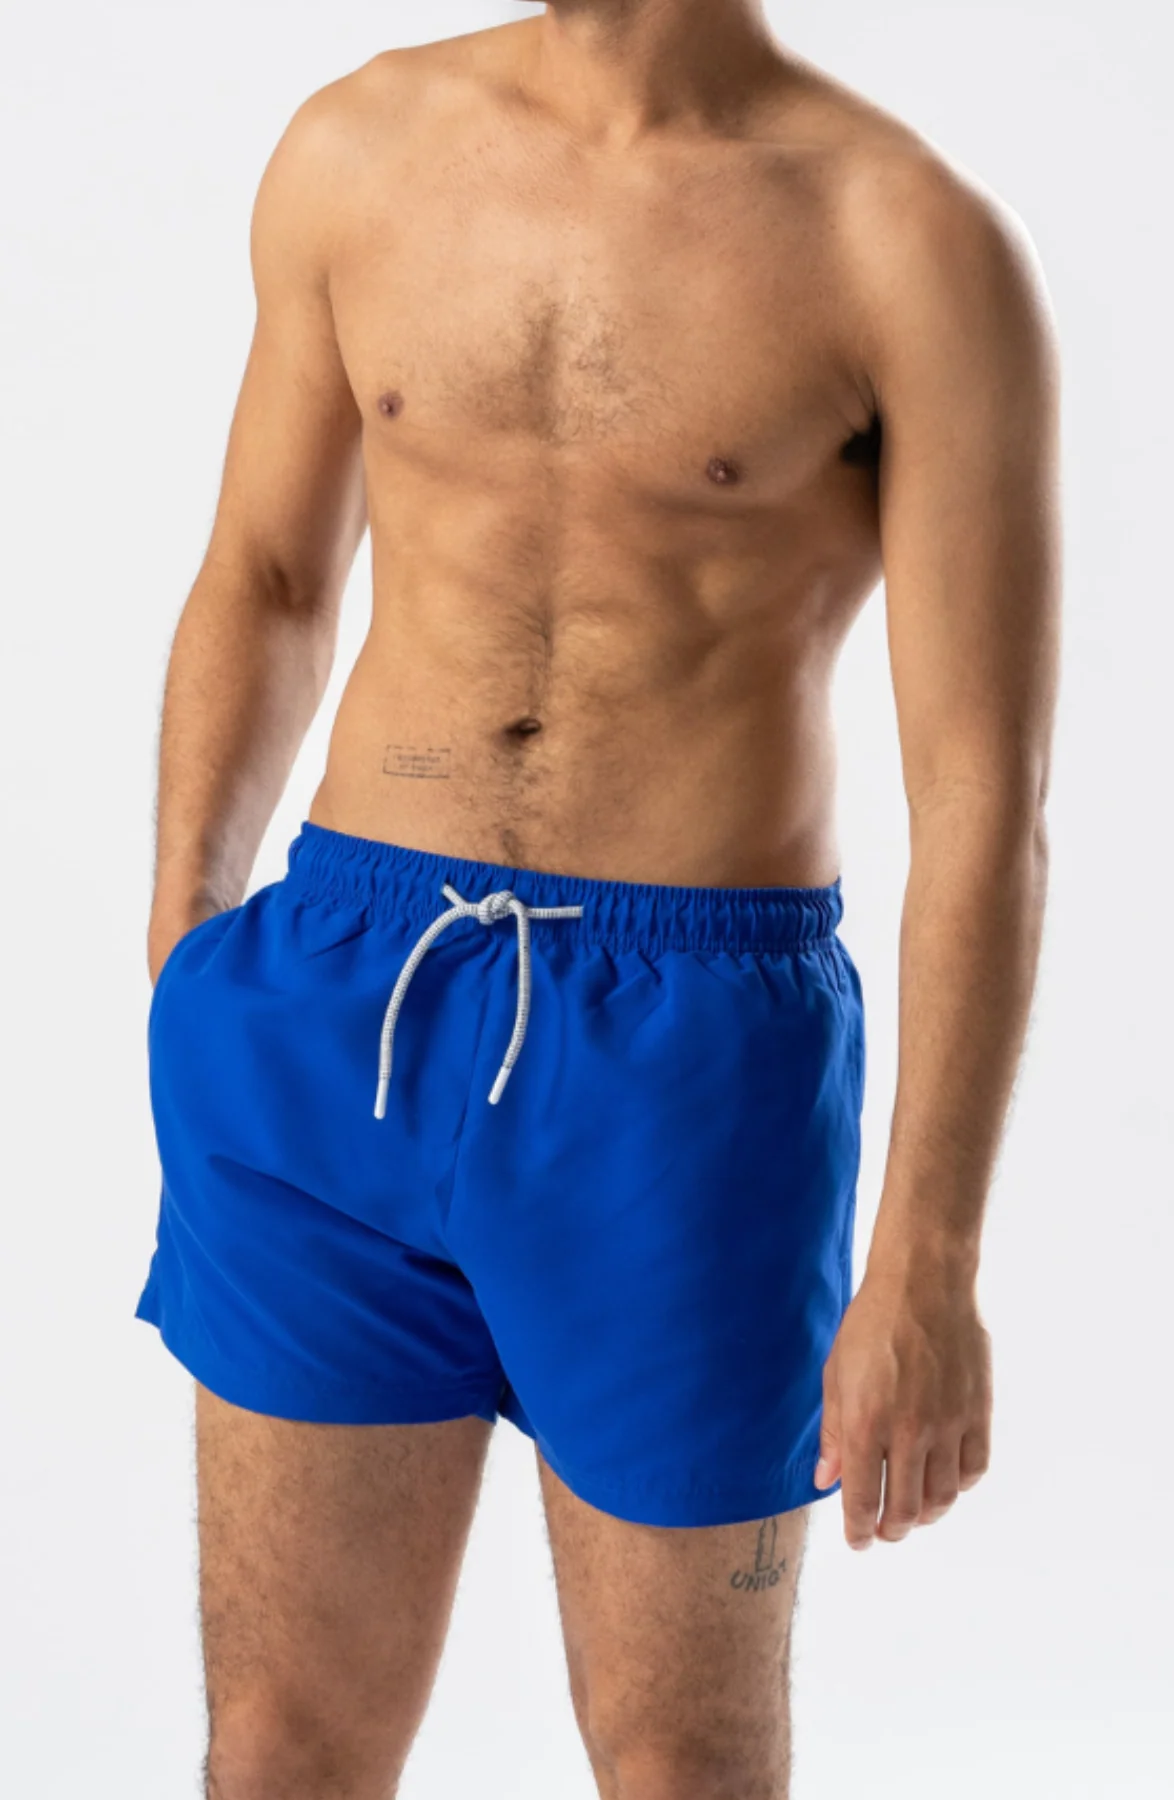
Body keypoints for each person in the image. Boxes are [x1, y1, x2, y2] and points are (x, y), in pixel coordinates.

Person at [133, 2, 1061, 1795]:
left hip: (684, 1059)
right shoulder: (359, 148)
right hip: (335, 995)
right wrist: (185, 951)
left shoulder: (902, 238)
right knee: (280, 1747)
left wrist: (930, 1255)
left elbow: (981, 800)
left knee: (680, 1757)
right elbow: (263, 575)